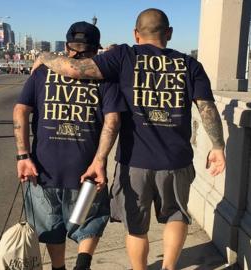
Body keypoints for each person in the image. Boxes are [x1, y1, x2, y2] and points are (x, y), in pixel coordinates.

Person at [31, 8, 226, 270]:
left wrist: (44, 56)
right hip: (177, 159)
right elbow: (206, 107)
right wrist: (218, 146)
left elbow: (75, 69)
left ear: (136, 34)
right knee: (177, 215)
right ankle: (168, 267)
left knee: (136, 225)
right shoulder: (190, 65)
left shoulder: (124, 56)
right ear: (169, 33)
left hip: (135, 160)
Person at [13, 21, 125, 270]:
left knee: (52, 224)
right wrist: (100, 160)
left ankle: (59, 267)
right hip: (85, 171)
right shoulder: (105, 78)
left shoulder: (42, 72)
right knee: (88, 220)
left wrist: (23, 155)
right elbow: (113, 120)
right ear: (96, 51)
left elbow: (20, 110)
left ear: (66, 46)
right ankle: (83, 263)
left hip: (43, 169)